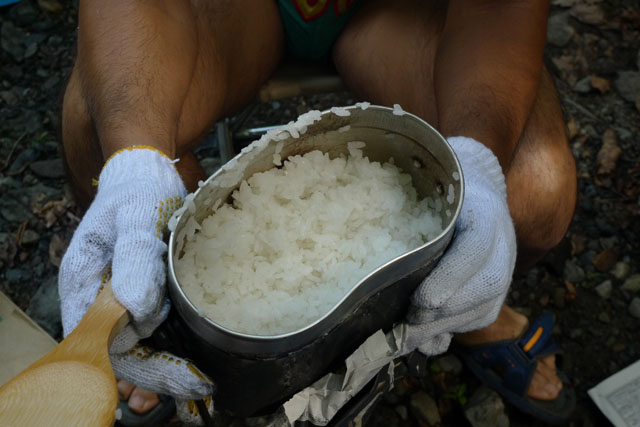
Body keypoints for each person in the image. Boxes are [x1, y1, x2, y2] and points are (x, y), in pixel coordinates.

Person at [59, 0, 577, 424]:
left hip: (399, 11)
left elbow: (495, 8)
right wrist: (136, 164)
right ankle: (168, 316)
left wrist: (479, 166)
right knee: (95, 132)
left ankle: (460, 298)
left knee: (534, 190)